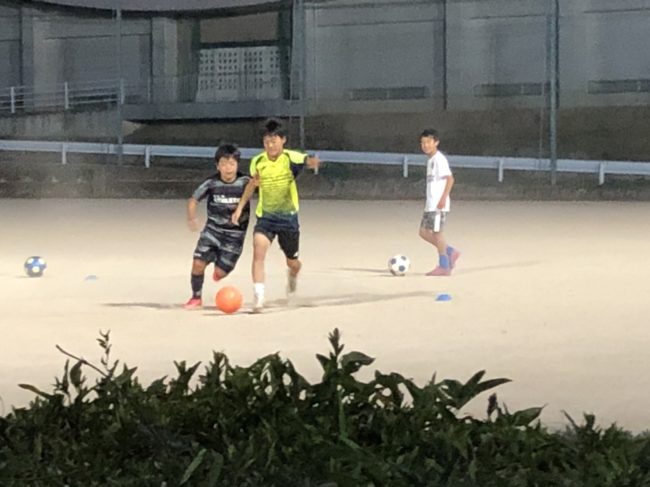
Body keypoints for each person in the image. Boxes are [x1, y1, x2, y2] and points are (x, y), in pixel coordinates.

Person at [232, 119, 320, 312]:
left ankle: (293, 275)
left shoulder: (290, 157)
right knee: (258, 250)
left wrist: (312, 163)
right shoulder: (258, 161)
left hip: (288, 219)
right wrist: (239, 208)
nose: (270, 145)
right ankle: (259, 297)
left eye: (273, 141)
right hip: (266, 217)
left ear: (283, 140)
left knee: (292, 262)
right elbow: (252, 185)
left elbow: (306, 160)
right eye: (266, 142)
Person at [184, 144, 250, 309]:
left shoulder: (245, 182)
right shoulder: (211, 183)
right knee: (198, 263)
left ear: (237, 165)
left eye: (232, 164)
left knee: (220, 273)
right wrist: (192, 217)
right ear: (217, 166)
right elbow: (193, 200)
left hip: (234, 237)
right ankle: (196, 297)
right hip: (212, 231)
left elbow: (263, 190)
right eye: (224, 164)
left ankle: (219, 268)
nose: (228, 168)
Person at [418, 129, 460, 276]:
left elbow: (450, 179)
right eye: (423, 142)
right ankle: (450, 251)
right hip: (430, 203)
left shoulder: (439, 159)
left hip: (437, 203)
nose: (425, 145)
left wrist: (442, 199)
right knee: (423, 232)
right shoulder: (430, 160)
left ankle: (444, 265)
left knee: (437, 233)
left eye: (428, 142)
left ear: (436, 142)